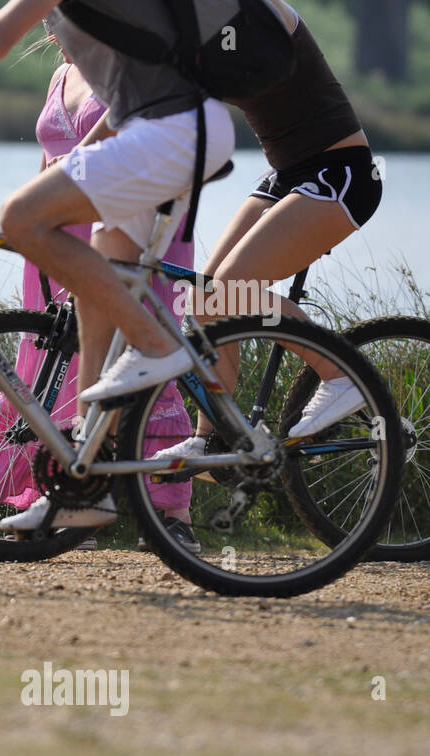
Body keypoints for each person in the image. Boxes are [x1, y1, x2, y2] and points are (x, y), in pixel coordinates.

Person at [0, 0, 238, 533]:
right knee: (76, 363)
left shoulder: (118, 51)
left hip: (152, 167)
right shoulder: (75, 66)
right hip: (82, 224)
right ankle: (84, 489)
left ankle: (169, 501)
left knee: (36, 237)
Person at [0, 48, 200, 552]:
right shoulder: (61, 74)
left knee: (136, 361)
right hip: (56, 234)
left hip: (121, 223)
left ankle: (173, 514)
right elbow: (47, 162)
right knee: (51, 367)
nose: (52, 27)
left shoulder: (130, 66)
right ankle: (68, 496)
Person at [151, 0, 383, 463]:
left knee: (234, 290)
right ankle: (215, 435)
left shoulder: (265, 12)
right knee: (204, 300)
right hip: (285, 177)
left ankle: (340, 375)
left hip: (340, 173)